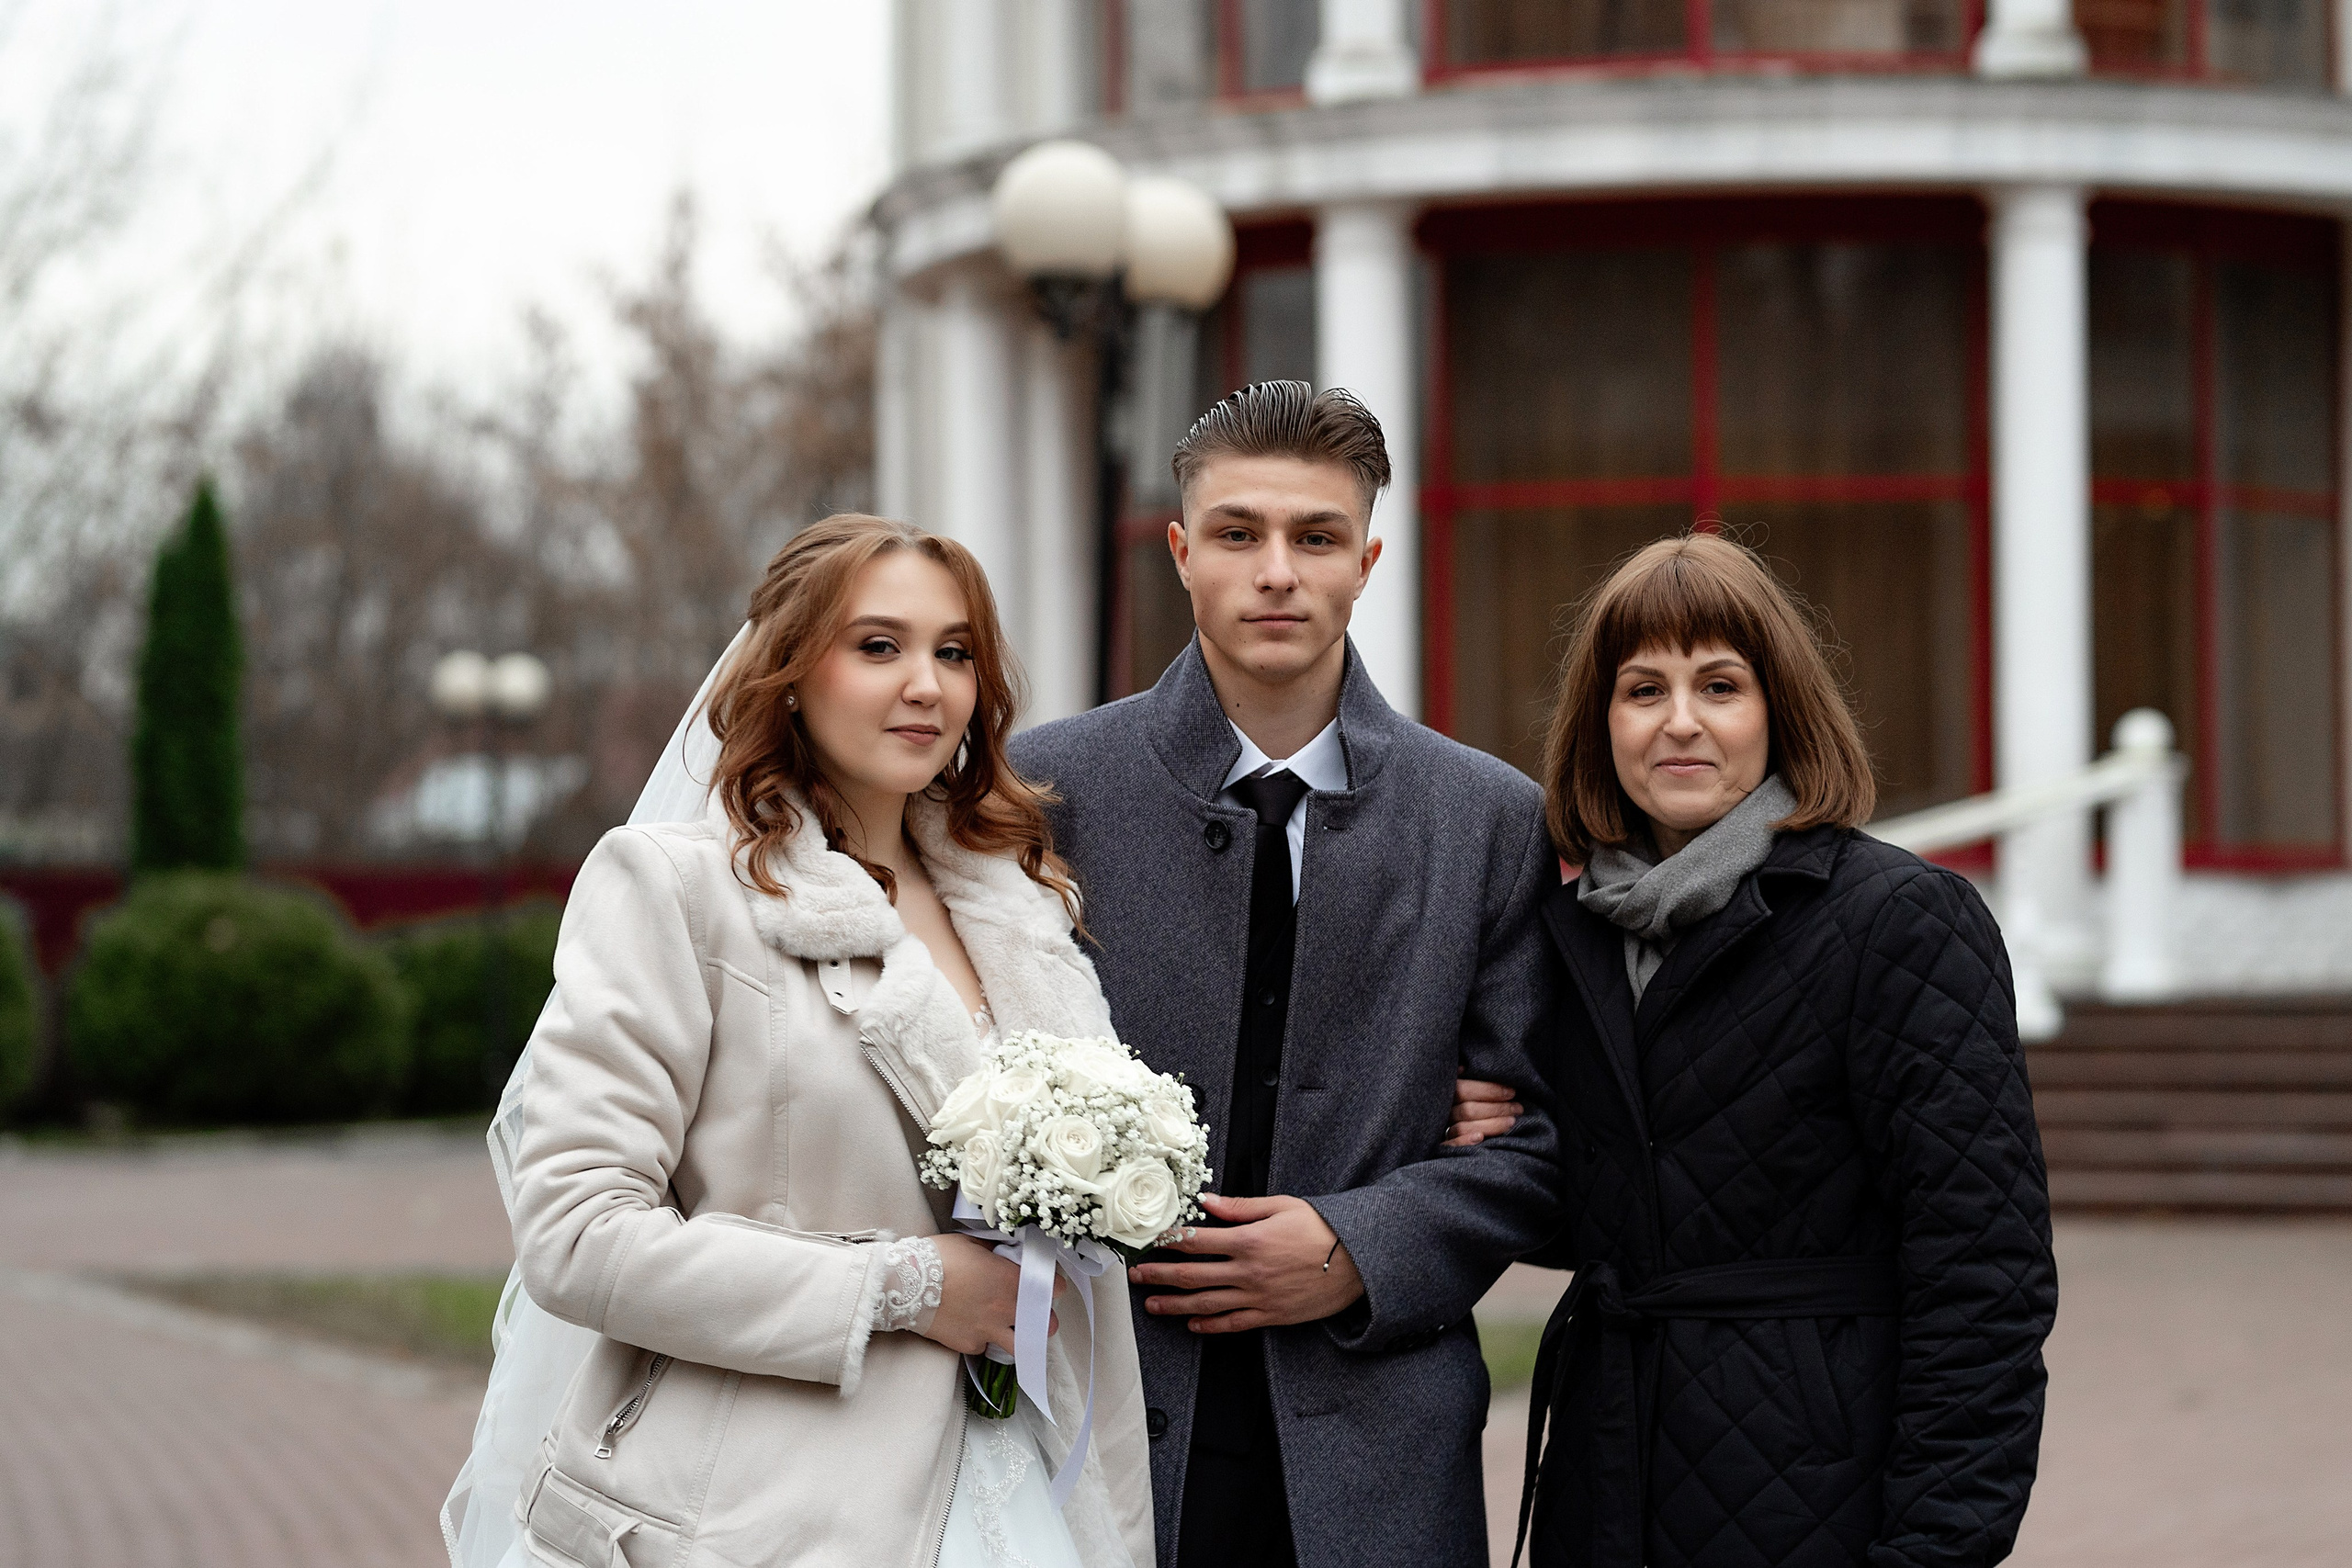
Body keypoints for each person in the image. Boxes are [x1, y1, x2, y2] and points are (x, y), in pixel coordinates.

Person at [472, 514, 1153, 1568]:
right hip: (762, 1508)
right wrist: (908, 1289)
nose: (925, 683)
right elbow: (574, 1232)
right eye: (878, 645)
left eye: (954, 651)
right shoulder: (676, 888)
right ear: (789, 672)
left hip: (1020, 1475)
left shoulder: (1022, 906)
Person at [1011, 381, 1564, 1568]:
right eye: (1237, 532)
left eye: (1315, 537)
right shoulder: (1045, 790)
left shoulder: (1489, 820)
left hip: (1377, 1443)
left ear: (1367, 559)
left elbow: (1552, 1144)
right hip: (1097, 1428)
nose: (1276, 570)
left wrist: (1359, 1242)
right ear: (1180, 552)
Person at [1514, 533, 2060, 1568]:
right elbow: (1617, 1204)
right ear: (1602, 722)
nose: (1680, 722)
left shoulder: (1900, 921)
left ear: (1778, 711)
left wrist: (1936, 1548)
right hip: (1604, 1480)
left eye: (1719, 684)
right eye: (1642, 689)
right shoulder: (1571, 932)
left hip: (1819, 1494)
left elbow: (1985, 1278)